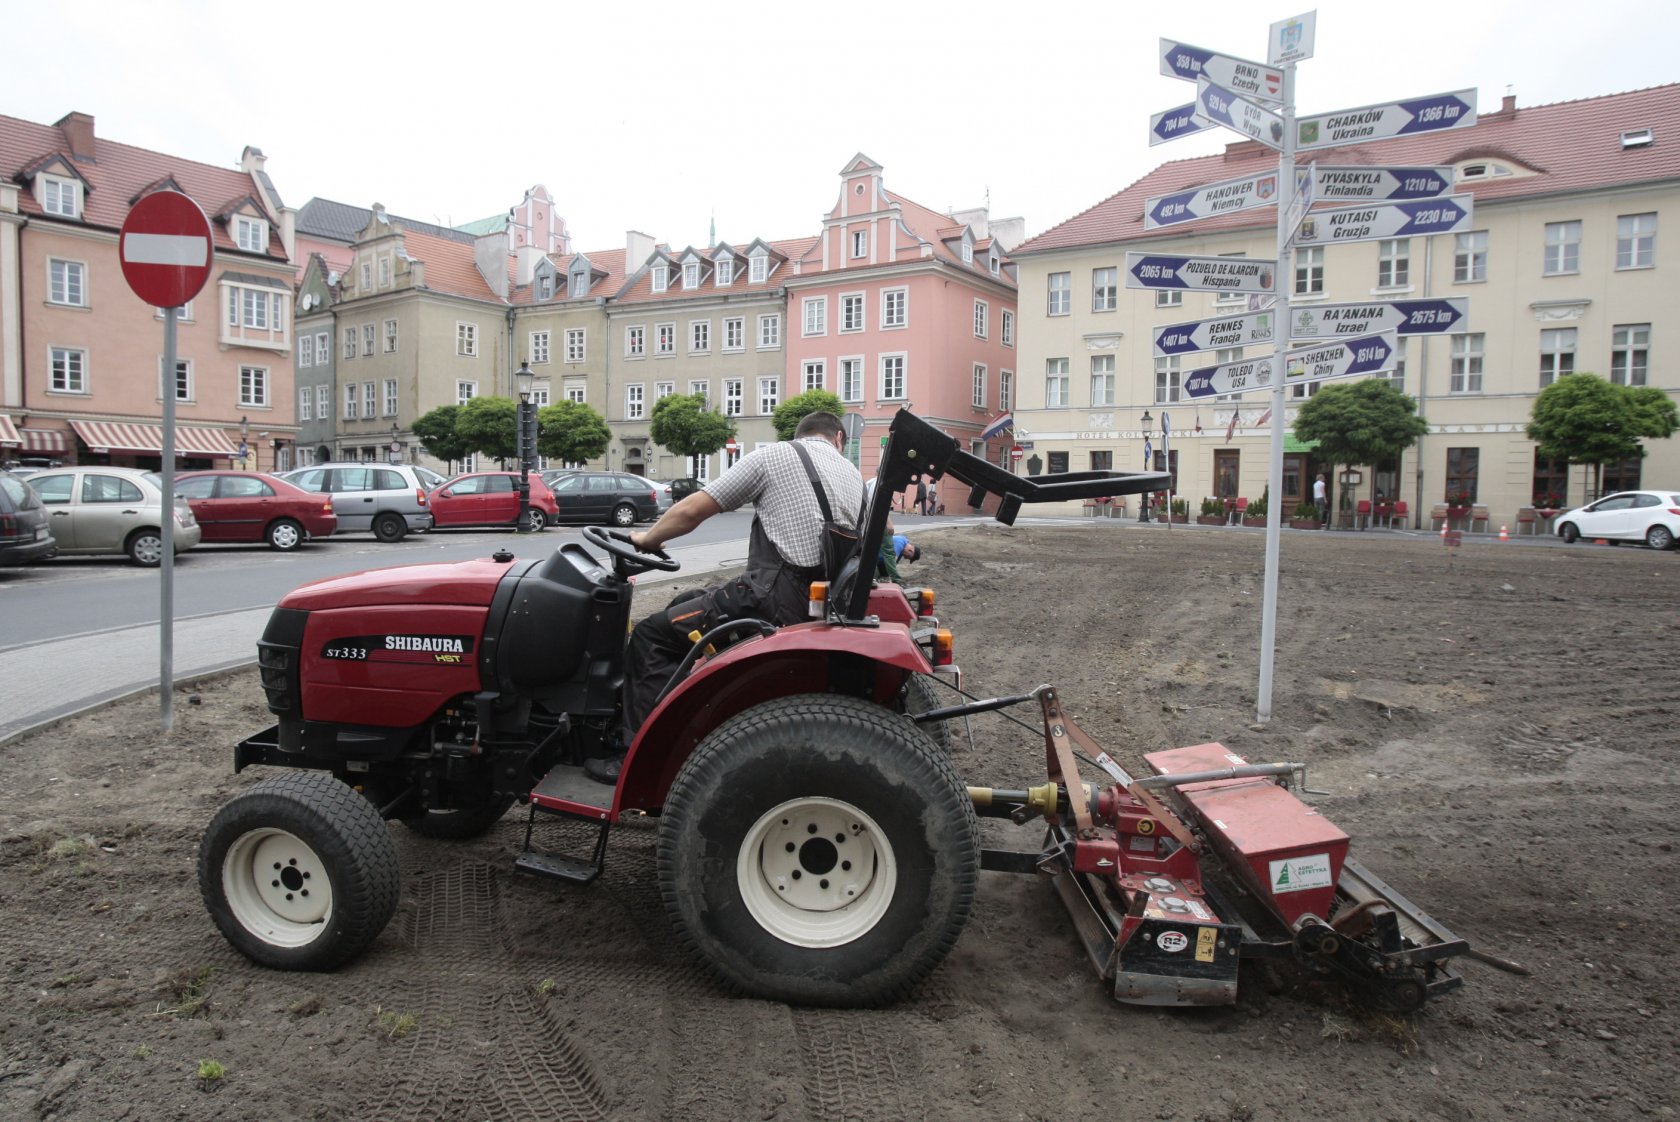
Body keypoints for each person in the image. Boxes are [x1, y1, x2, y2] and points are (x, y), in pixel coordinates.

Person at [588, 411, 864, 783]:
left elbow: (692, 509)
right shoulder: (855, 478)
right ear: (839, 439)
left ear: (799, 435)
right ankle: (675, 714)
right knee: (682, 603)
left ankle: (635, 760)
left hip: (769, 599)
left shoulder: (777, 456)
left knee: (651, 637)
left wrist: (646, 540)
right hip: (813, 602)